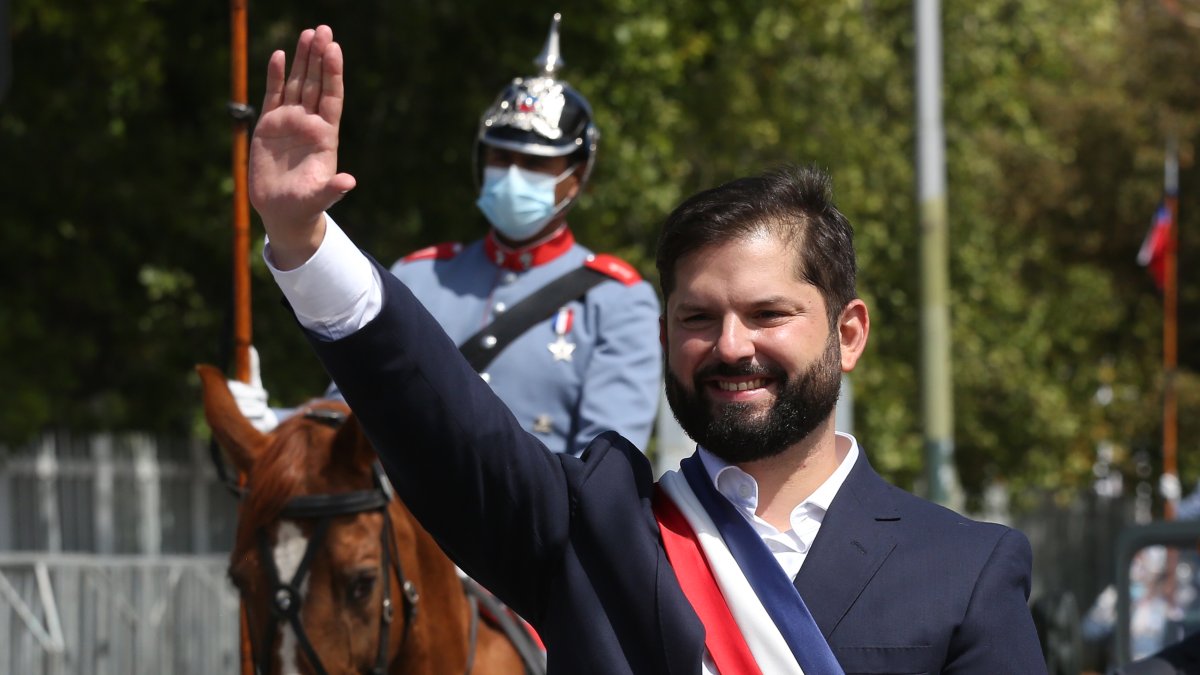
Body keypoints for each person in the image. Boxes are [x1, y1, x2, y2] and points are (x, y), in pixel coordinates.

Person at [248, 25, 1047, 674]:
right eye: (698, 318)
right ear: (666, 334)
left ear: (848, 333)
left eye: (768, 314)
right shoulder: (590, 536)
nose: (731, 346)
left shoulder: (966, 569)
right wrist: (303, 238)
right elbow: (437, 411)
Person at [234, 14, 662, 456]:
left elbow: (604, 475)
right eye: (501, 157)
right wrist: (277, 424)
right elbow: (351, 413)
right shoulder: (420, 274)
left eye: (535, 164)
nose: (512, 174)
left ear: (576, 178)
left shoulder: (617, 300)